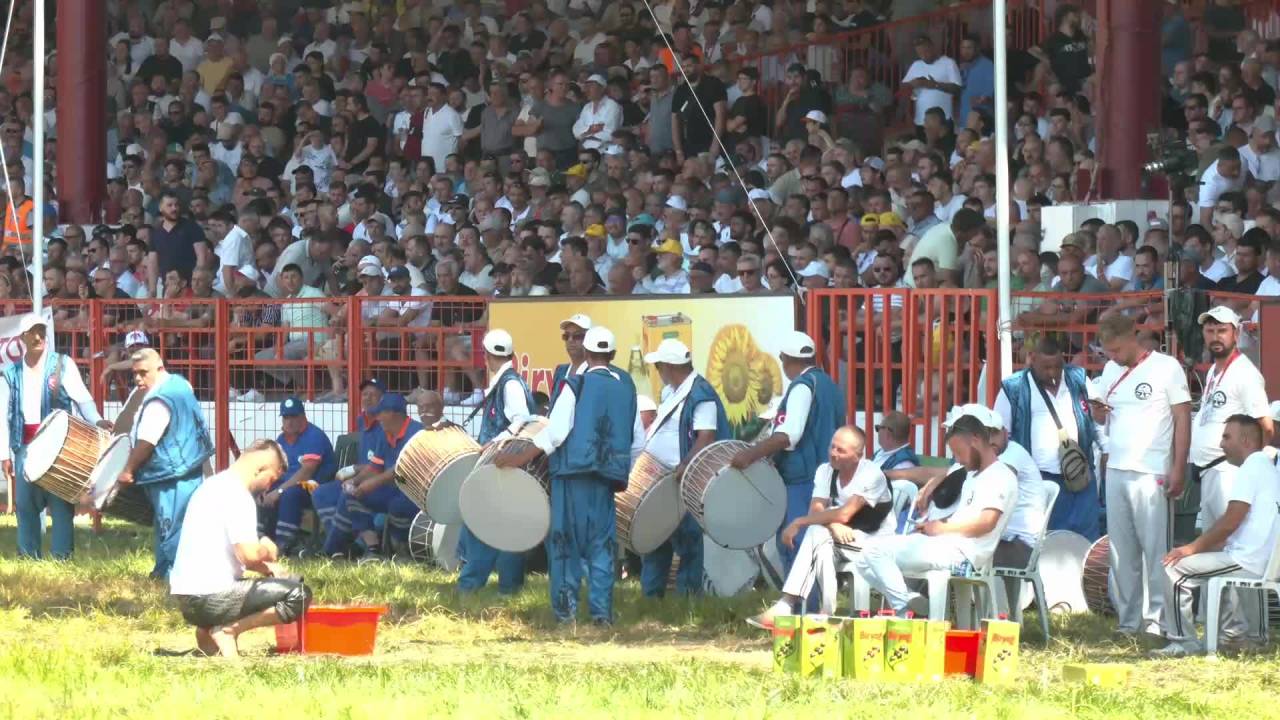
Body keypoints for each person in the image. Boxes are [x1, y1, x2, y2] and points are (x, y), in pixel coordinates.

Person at [495, 326, 637, 624]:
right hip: (606, 479)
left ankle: (565, 614)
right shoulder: (627, 386)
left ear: (586, 352)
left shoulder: (576, 383)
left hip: (573, 476)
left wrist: (520, 458)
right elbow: (637, 440)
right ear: (612, 354)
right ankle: (601, 615)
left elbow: (556, 433)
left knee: (565, 546)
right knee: (601, 547)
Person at [852, 409, 1016, 615]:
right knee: (862, 557)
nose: (958, 460)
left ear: (975, 439)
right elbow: (963, 517)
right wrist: (929, 527)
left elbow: (987, 522)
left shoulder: (1000, 476)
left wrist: (941, 528)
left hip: (964, 554)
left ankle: (903, 610)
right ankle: (910, 600)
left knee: (874, 551)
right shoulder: (973, 475)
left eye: (958, 452)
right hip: (946, 543)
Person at [1092, 313, 1191, 636]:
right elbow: (1104, 418)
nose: (1114, 357)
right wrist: (1097, 412)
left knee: (1155, 548)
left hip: (1152, 471)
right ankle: (1128, 620)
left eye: (1118, 350)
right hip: (1117, 469)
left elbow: (1182, 418)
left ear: (1133, 336)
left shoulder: (1166, 367)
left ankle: (1158, 620)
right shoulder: (1109, 370)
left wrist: (1178, 466)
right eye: (1108, 352)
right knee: (1121, 550)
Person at [169, 439, 310, 658]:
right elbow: (249, 555)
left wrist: (269, 570)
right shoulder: (237, 495)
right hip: (211, 595)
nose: (269, 486)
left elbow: (228, 552)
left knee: (281, 582)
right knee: (298, 594)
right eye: (271, 478)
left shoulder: (213, 485)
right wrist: (268, 550)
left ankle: (207, 633)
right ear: (260, 469)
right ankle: (228, 630)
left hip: (187, 596)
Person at [1155, 415, 1279, 656]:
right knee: (1211, 559)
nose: (1221, 444)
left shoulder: (1252, 467)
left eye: (1226, 437)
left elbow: (1231, 520)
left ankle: (1182, 642)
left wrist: (1190, 549)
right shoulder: (1267, 467)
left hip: (1246, 561)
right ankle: (1252, 636)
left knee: (1174, 568)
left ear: (1245, 440)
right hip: (1261, 560)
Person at [748, 426, 896, 625]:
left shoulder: (872, 475)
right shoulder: (826, 471)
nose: (833, 453)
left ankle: (788, 604)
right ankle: (826, 613)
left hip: (874, 542)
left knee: (817, 532)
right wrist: (832, 525)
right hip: (838, 539)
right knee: (820, 539)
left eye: (841, 450)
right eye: (832, 447)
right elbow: (816, 509)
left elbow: (845, 513)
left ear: (858, 455)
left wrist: (799, 521)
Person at [1187, 306, 1272, 639]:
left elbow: (1264, 426)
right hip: (1210, 471)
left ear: (1236, 333)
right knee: (1219, 551)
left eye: (1221, 330)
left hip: (1230, 471)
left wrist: (1251, 467)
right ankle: (1225, 627)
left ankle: (1242, 631)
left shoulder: (1245, 374)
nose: (1215, 336)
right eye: (1209, 330)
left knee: (1232, 550)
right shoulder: (1213, 371)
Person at [729, 331, 845, 572]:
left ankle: (805, 604)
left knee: (794, 541)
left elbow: (788, 436)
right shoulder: (828, 384)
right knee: (807, 539)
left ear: (786, 359)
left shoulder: (802, 386)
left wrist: (750, 455)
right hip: (824, 474)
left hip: (802, 478)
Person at [0, 314, 110, 559]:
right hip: (24, 445)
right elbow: (2, 415)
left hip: (60, 444)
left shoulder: (63, 364)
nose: (38, 336)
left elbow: (83, 400)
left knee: (61, 502)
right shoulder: (9, 373)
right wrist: (3, 454)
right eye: (33, 332)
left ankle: (62, 555)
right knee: (26, 504)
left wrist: (98, 420)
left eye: (42, 330)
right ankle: (27, 555)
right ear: (22, 338)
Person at [637, 339, 730, 597]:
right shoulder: (673, 393)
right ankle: (651, 595)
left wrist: (685, 466)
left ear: (668, 366)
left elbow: (706, 437)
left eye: (658, 367)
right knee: (657, 537)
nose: (658, 372)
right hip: (663, 477)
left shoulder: (702, 395)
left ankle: (687, 597)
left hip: (685, 479)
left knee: (688, 539)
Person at [995, 335, 1103, 538]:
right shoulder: (1014, 388)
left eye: (1057, 366)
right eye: (1046, 367)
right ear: (1032, 359)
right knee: (1050, 540)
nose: (1052, 372)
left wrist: (1106, 449)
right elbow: (1001, 435)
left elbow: (1097, 422)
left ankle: (1087, 572)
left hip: (1080, 475)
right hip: (1039, 478)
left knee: (1087, 538)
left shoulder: (1078, 379)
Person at [119, 348, 214, 578]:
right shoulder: (181, 385)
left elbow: (146, 442)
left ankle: (179, 577)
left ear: (160, 368)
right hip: (188, 467)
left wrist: (128, 469)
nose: (138, 379)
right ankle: (162, 573)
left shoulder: (158, 401)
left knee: (172, 529)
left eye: (143, 372)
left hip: (170, 474)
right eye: (134, 374)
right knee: (170, 526)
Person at [458, 329, 533, 594]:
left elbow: (522, 421)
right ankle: (509, 588)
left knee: (482, 523)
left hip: (500, 464)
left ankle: (470, 586)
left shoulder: (509, 385)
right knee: (505, 527)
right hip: (504, 466)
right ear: (511, 354)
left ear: (487, 356)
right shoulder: (509, 382)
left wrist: (496, 440)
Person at [322, 393, 422, 559]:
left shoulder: (416, 433)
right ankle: (371, 549)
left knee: (398, 505)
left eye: (382, 413)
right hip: (391, 488)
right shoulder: (385, 433)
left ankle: (402, 550)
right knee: (351, 494)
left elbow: (400, 470)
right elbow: (375, 467)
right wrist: (354, 481)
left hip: (413, 491)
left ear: (395, 414)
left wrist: (370, 484)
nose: (378, 418)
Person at [260, 397, 337, 556]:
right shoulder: (282, 439)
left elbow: (307, 471)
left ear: (303, 416)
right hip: (290, 483)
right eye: (286, 417)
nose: (289, 422)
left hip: (314, 485)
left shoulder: (314, 436)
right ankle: (259, 538)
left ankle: (284, 543)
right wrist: (264, 486)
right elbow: (274, 467)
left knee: (290, 494)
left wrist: (278, 492)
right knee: (259, 490)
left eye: (293, 417)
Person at [551, 314, 591, 400]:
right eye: (566, 336)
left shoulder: (594, 372)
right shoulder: (560, 370)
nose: (570, 340)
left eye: (577, 336)